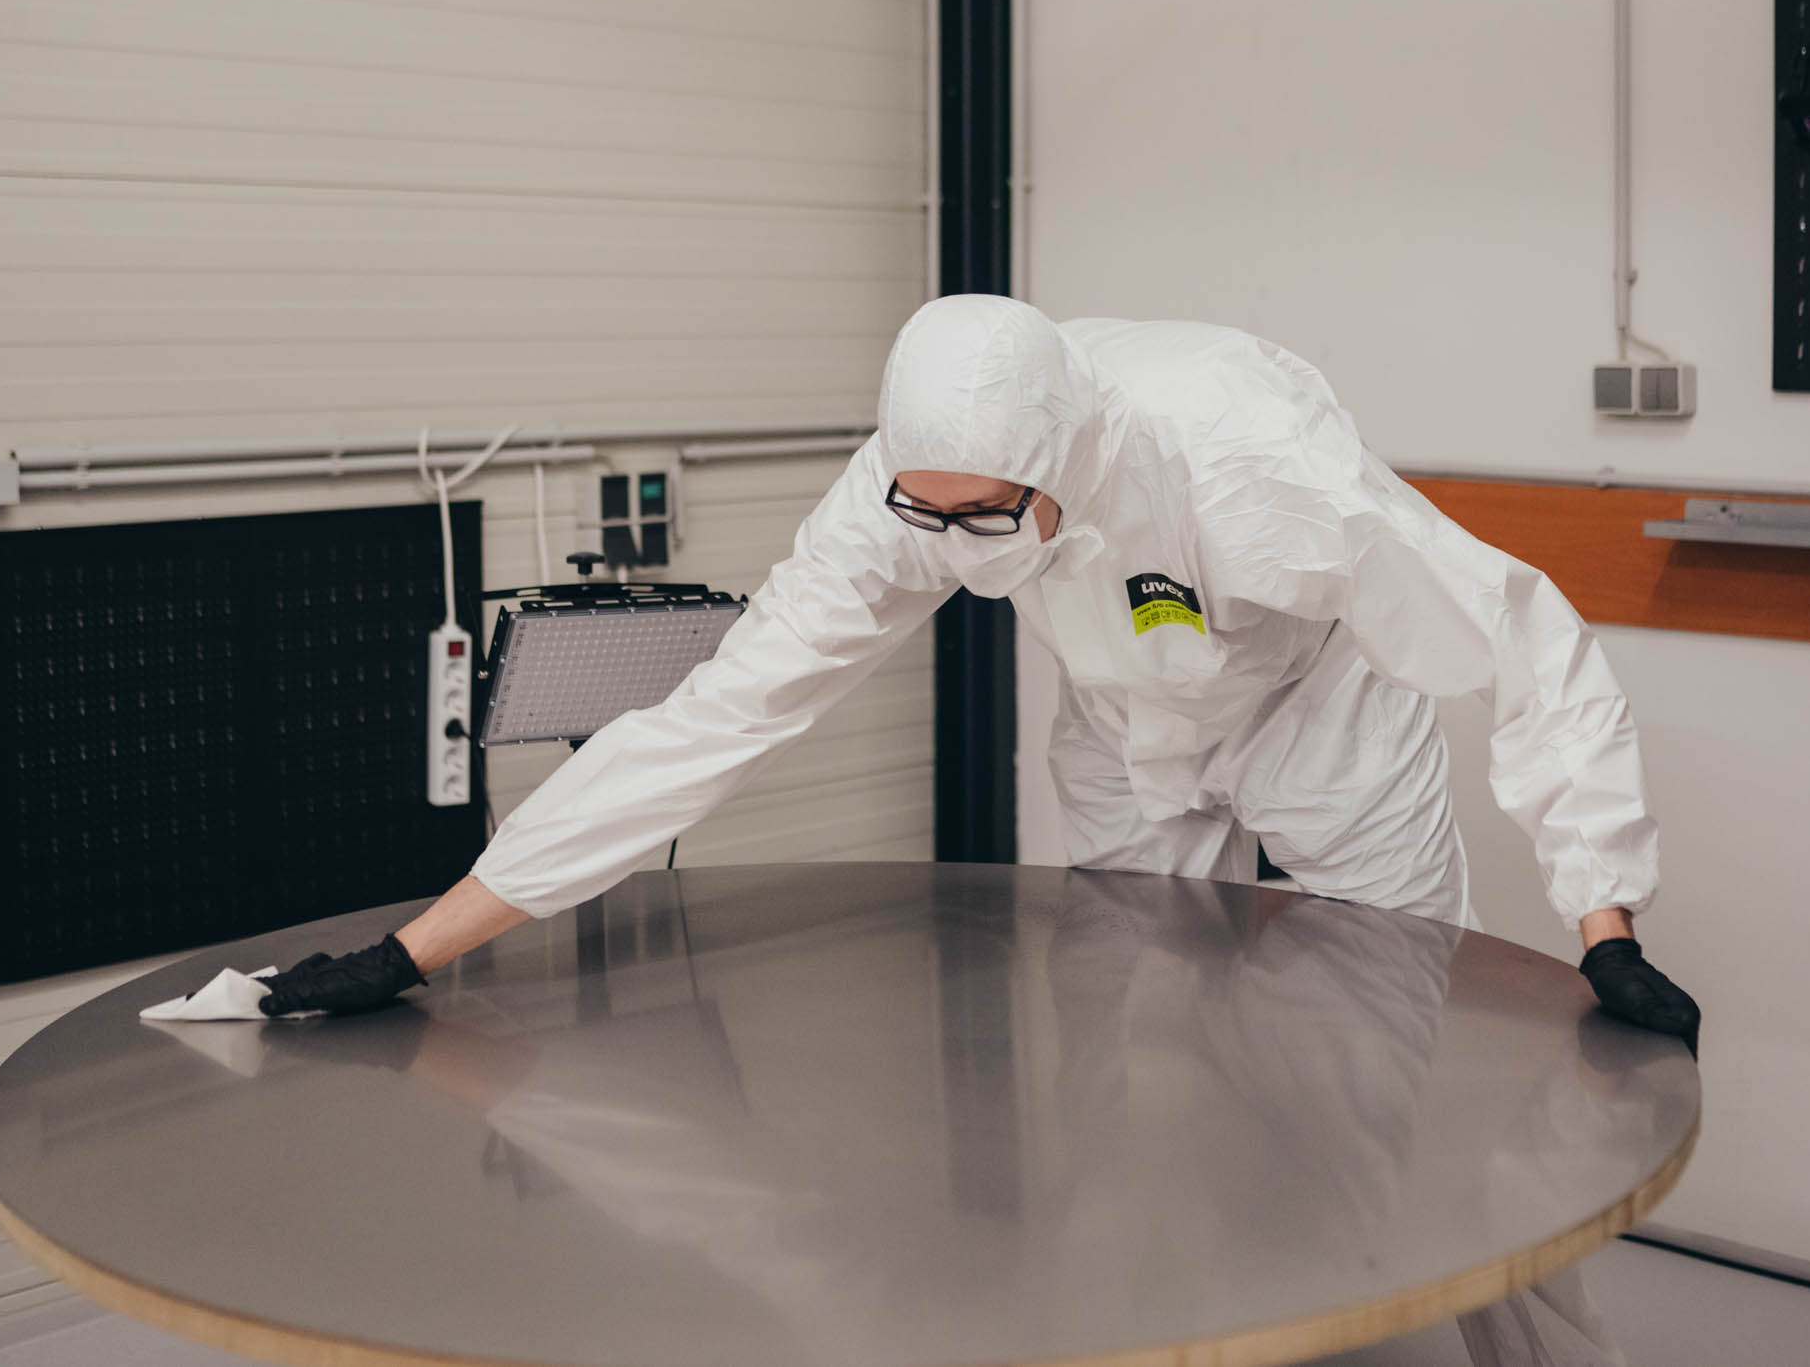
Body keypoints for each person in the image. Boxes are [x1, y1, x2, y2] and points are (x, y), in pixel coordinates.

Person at [262, 294, 1697, 1366]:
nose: (945, 547)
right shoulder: (910, 493)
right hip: (1127, 733)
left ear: (1061, 454)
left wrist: (1604, 916)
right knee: (1136, 1083)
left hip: (1323, 717)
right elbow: (717, 721)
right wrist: (417, 946)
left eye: (983, 518)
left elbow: (1524, 638)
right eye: (923, 514)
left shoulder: (1258, 474)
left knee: (1408, 1074)